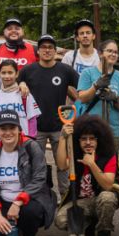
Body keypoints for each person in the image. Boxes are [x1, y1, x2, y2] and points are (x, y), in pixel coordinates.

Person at [0, 110, 53, 236]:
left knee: (31, 212)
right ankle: (19, 231)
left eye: (12, 128)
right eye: (3, 129)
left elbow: (40, 177)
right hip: (4, 202)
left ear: (19, 129)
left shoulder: (31, 147)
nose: (8, 132)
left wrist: (18, 201)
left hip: (29, 200)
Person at [18, 34, 79, 198]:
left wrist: (78, 108)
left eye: (50, 47)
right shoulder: (28, 70)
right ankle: (38, 196)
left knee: (63, 165)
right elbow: (14, 85)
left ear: (55, 50)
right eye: (43, 47)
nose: (47, 50)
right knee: (36, 164)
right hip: (35, 128)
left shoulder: (65, 70)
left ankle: (65, 196)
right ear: (38, 51)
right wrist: (21, 83)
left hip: (59, 126)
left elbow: (82, 89)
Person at [54, 115, 119, 236]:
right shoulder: (75, 153)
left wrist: (92, 164)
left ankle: (104, 234)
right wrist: (63, 138)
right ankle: (88, 225)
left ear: (99, 139)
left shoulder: (108, 155)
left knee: (107, 198)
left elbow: (108, 185)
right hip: (81, 202)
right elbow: (61, 165)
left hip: (100, 199)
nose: (88, 142)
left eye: (92, 138)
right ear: (78, 140)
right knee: (60, 220)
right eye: (83, 139)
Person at [77, 39, 119, 146]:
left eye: (115, 52)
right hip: (90, 130)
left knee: (111, 157)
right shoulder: (88, 73)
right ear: (100, 53)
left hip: (113, 131)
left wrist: (115, 98)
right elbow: (82, 98)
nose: (113, 54)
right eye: (109, 51)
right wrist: (96, 86)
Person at [0, 59, 41, 146]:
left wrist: (31, 142)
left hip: (23, 142)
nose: (7, 76)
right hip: (2, 143)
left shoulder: (24, 93)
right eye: (3, 73)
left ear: (16, 74)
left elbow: (32, 120)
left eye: (10, 72)